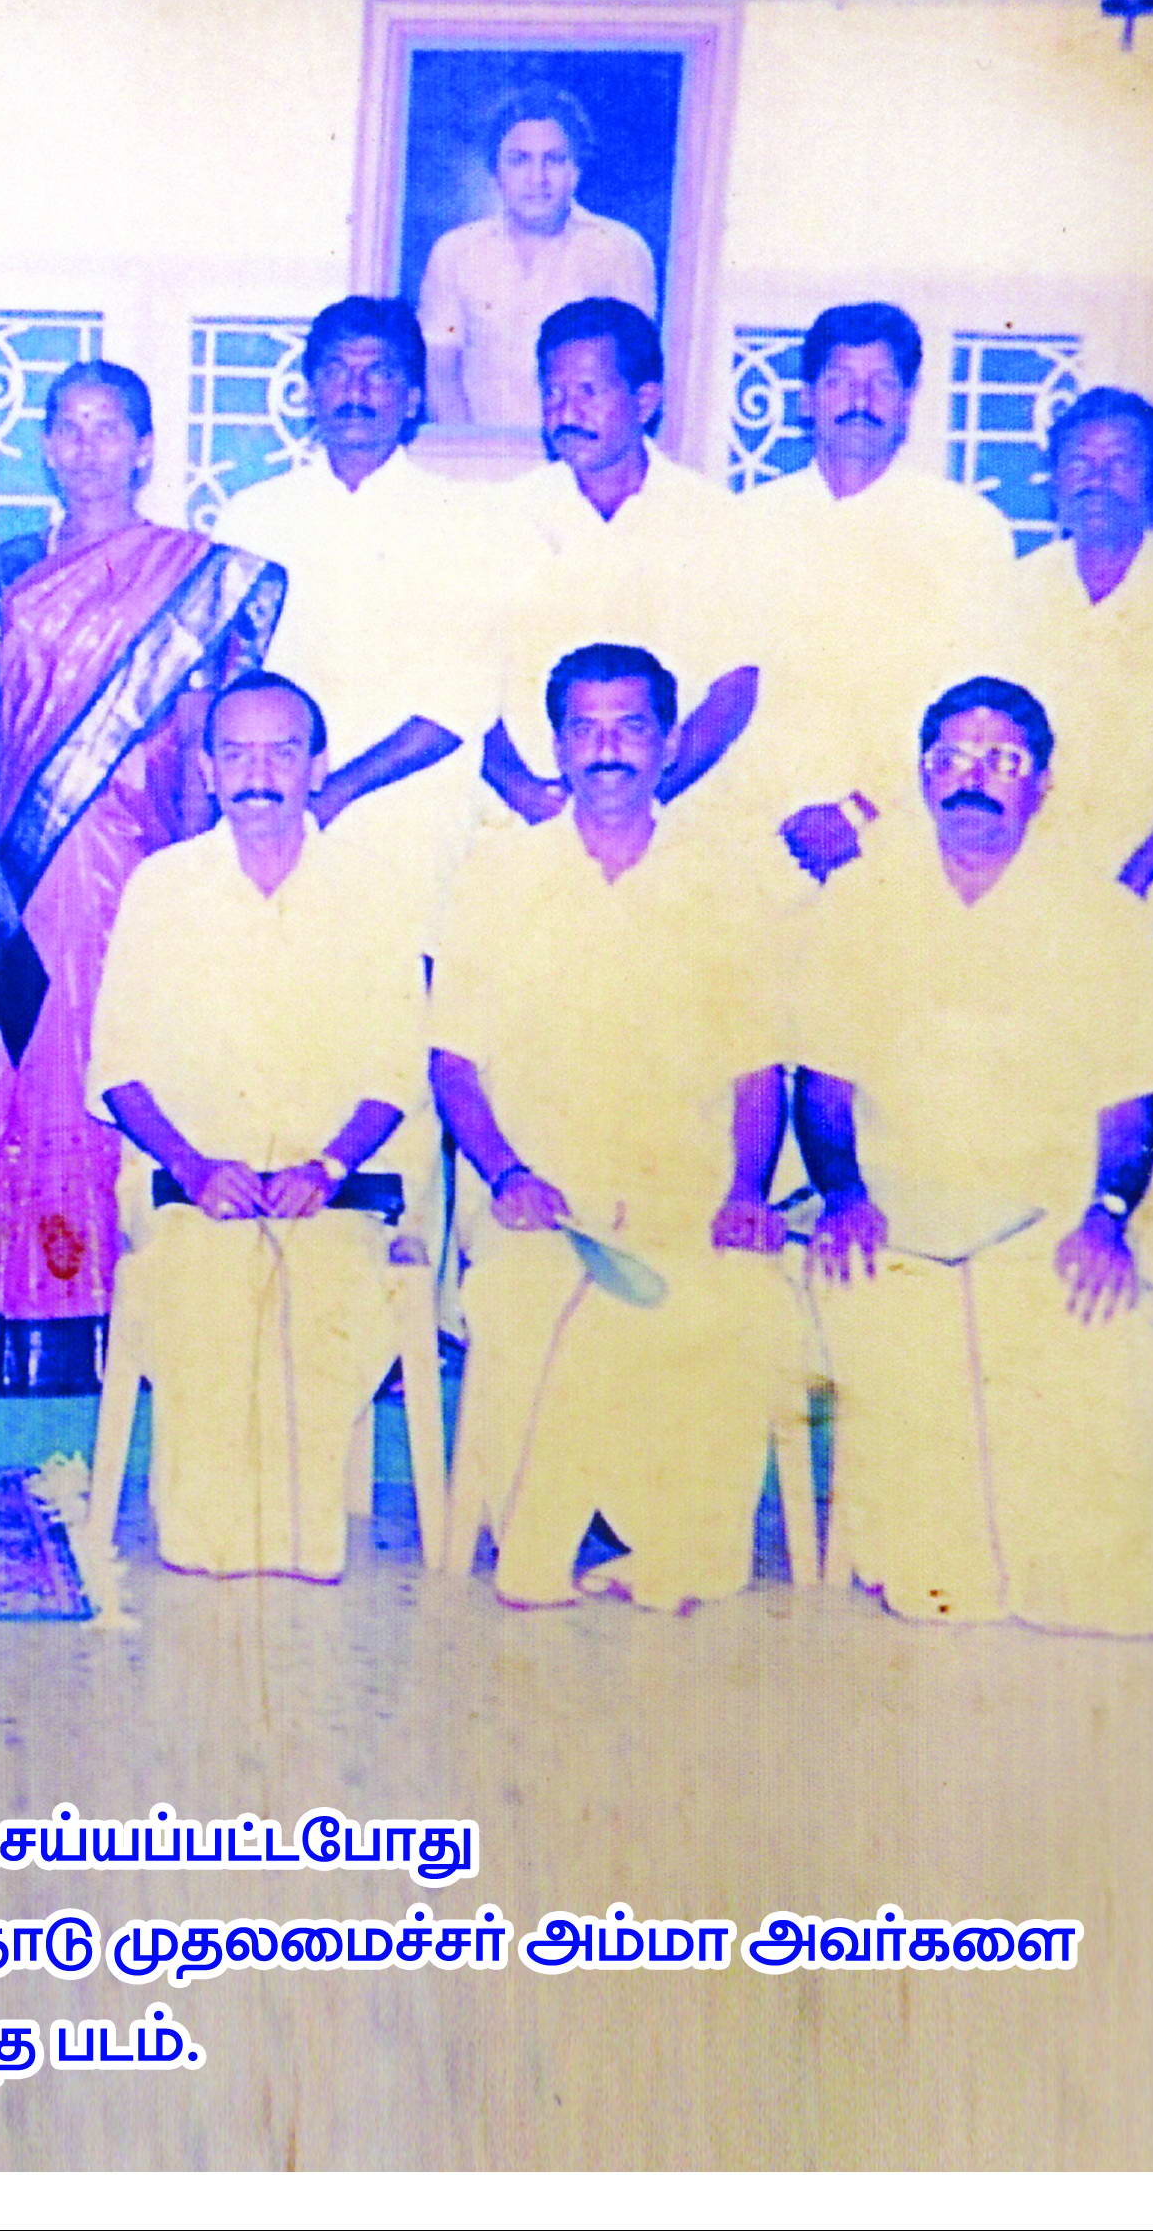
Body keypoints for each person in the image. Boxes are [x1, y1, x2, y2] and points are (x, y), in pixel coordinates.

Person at [0, 362, 283, 1395]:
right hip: (16, 853)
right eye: (65, 427)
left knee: (99, 1055)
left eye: (107, 427)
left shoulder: (193, 573)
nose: (85, 446)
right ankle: (4, 1306)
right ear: (43, 444)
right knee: (25, 1055)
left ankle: (87, 1310)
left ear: (146, 446)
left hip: (130, 844)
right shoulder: (3, 569)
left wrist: (202, 848)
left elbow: (207, 717)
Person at [790, 678, 1153, 1637]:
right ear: (923, 773)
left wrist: (1105, 1215)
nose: (974, 780)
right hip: (894, 1215)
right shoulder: (860, 899)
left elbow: (1131, 1095)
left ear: (1041, 786)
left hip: (1050, 1214)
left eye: (1002, 761)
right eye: (952, 759)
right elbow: (824, 1083)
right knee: (942, 1588)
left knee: (1109, 1588)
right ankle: (939, 1562)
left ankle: (1079, 1579)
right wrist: (844, 1195)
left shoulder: (1099, 915)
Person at [435, 646, 800, 1612]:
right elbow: (453, 1064)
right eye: (586, 730)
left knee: (726, 1291)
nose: (608, 752)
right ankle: (538, 1535)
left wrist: (743, 1193)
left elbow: (756, 1066)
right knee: (537, 1284)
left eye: (631, 728)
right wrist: (509, 1174)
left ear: (669, 743)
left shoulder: (726, 880)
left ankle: (680, 1548)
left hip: (684, 1190)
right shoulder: (496, 873)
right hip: (536, 1192)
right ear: (556, 744)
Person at [86, 675, 427, 1582]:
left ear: (318, 767)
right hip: (194, 1187)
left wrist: (326, 1164)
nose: (258, 773)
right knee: (206, 1282)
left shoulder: (372, 890)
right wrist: (196, 1167)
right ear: (204, 770)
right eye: (235, 753)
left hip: (338, 1186)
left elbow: (396, 1065)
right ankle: (208, 1538)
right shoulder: (164, 889)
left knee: (323, 1292)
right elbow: (117, 1066)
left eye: (281, 752)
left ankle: (302, 1535)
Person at [212, 296, 518, 871]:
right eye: (336, 371)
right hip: (276, 817)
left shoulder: (468, 522)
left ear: (412, 400)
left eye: (378, 373)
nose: (356, 390)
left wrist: (340, 790)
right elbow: (231, 677)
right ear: (309, 392)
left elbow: (462, 698)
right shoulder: (252, 518)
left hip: (414, 817)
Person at [742, 302, 1021, 881]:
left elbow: (976, 706)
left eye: (881, 384)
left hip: (902, 835)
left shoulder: (967, 529)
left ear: (907, 403)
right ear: (807, 399)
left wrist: (859, 810)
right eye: (840, 381)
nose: (860, 402)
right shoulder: (745, 524)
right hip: (752, 832)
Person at [482, 297, 764, 822]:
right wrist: (520, 790)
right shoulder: (500, 519)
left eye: (589, 392)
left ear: (645, 400)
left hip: (677, 823)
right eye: (553, 393)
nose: (567, 413)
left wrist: (647, 802)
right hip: (529, 820)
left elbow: (733, 687)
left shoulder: (716, 522)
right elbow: (465, 679)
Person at [1003, 389, 1153, 906]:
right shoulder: (1010, 592)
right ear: (1056, 486)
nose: (1097, 482)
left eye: (1120, 464)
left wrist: (1134, 880)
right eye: (1080, 464)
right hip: (1019, 894)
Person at [416, 82, 658, 428]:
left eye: (554, 160)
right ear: (496, 170)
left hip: (581, 459)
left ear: (577, 170)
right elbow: (440, 371)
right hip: (481, 459)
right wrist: (471, 457)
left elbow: (633, 375)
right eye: (519, 160)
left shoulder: (620, 251)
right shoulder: (455, 253)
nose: (537, 178)